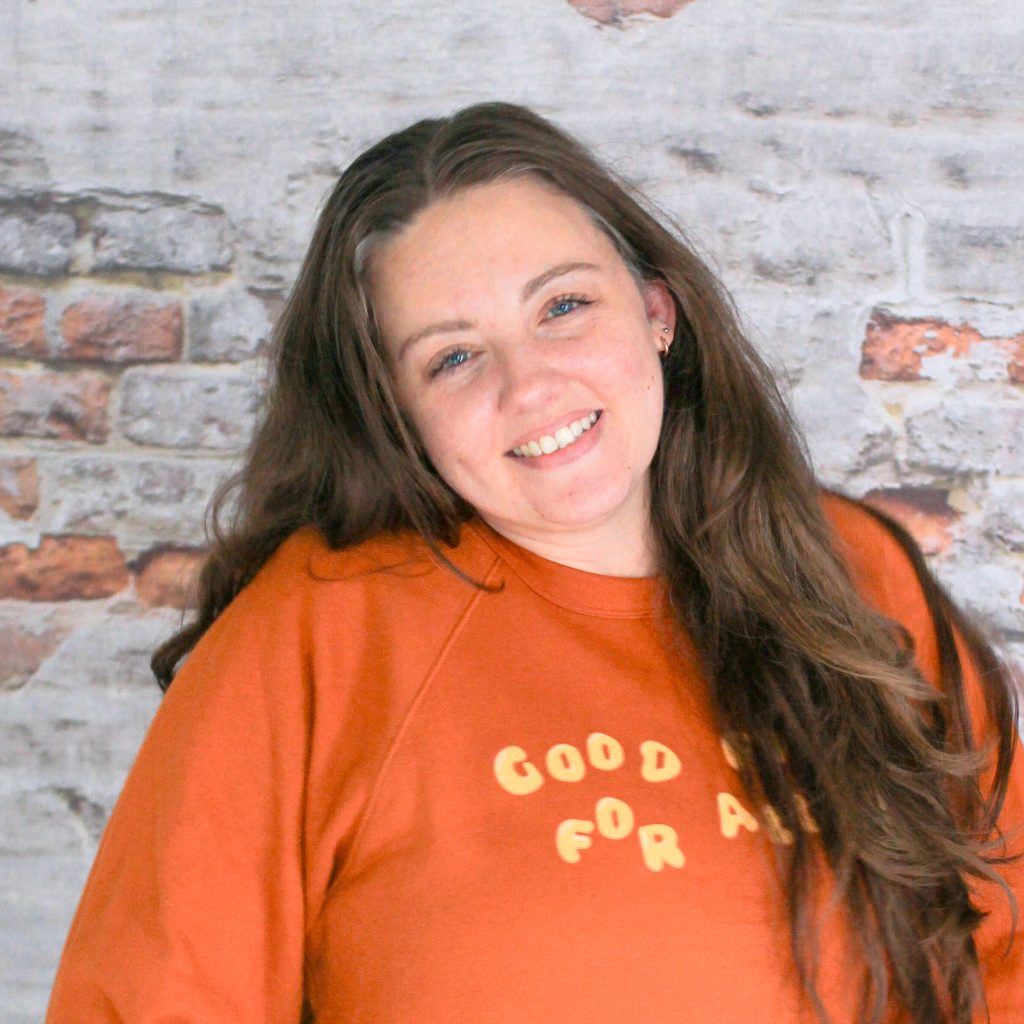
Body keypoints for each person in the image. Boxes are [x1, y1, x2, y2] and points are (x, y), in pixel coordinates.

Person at [45, 102, 1023, 1024]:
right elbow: (151, 996)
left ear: (655, 310)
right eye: (453, 358)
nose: (531, 385)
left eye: (561, 306)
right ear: (397, 414)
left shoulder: (850, 572)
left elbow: (1006, 946)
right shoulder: (324, 626)